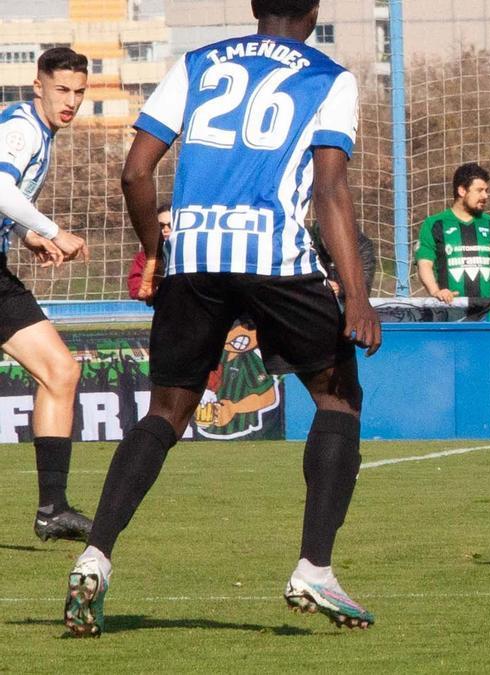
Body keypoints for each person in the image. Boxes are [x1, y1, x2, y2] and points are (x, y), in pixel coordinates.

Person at [63, 0, 382, 636]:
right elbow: (329, 191)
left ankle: (94, 555)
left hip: (194, 256)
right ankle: (314, 567)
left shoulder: (198, 62)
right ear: (315, 11)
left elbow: (135, 172)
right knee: (338, 398)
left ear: (256, 7)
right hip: (276, 257)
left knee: (165, 414)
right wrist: (357, 294)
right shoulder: (329, 77)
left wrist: (157, 253)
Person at [0, 47, 92, 542]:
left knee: (60, 371)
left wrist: (25, 234)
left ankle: (52, 509)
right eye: (61, 89)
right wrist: (52, 230)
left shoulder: (39, 131)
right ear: (38, 86)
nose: (71, 101)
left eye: (79, 92)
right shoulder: (21, 129)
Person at [416, 162, 490, 318]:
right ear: (461, 190)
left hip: (489, 315)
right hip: (450, 312)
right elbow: (424, 264)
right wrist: (436, 291)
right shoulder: (435, 224)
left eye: (486, 191)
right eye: (480, 190)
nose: (485, 196)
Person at [127, 204, 171, 300]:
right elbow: (135, 287)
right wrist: (151, 290)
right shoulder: (145, 257)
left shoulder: (189, 254)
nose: (166, 230)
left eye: (171, 225)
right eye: (161, 226)